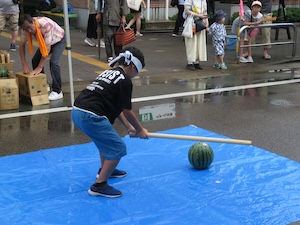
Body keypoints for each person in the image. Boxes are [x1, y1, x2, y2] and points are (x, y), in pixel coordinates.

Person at [72, 46, 148, 198]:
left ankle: (106, 169)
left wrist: (129, 127)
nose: (136, 76)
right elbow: (127, 110)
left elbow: (118, 107)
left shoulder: (109, 72)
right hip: (91, 116)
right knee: (118, 148)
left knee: (105, 143)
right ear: (133, 66)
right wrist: (140, 129)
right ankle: (99, 185)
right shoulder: (125, 81)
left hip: (77, 111)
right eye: (137, 72)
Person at [19, 14, 66, 101]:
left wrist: (40, 67)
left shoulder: (45, 25)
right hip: (46, 42)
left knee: (53, 62)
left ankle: (57, 91)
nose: (29, 31)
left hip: (58, 40)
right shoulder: (25, 28)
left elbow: (47, 49)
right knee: (35, 60)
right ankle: (44, 84)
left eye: (30, 27)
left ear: (33, 21)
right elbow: (21, 45)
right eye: (26, 29)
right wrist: (24, 64)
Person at [184, 0, 208, 70]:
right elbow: (187, 11)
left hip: (201, 23)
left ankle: (196, 61)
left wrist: (206, 22)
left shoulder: (203, 0)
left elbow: (205, 11)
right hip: (191, 23)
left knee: (200, 43)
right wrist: (198, 15)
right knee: (191, 43)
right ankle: (190, 62)